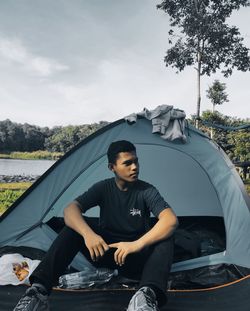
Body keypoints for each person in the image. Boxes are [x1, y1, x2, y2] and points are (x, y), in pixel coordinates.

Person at [13, 140, 178, 311]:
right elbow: (70, 210)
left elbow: (170, 220)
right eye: (127, 163)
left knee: (166, 237)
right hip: (105, 253)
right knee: (72, 229)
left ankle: (145, 297)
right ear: (112, 167)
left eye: (136, 161)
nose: (134, 167)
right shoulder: (103, 188)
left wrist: (136, 245)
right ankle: (38, 292)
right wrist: (88, 235)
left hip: (135, 257)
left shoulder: (147, 190)